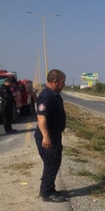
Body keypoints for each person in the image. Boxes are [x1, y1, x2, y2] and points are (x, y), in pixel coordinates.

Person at [34, 69, 67, 202]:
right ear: (55, 81)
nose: (64, 85)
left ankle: (49, 188)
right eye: (62, 82)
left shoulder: (54, 94)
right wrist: (46, 136)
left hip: (54, 135)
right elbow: (41, 117)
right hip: (48, 137)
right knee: (51, 163)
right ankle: (47, 193)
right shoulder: (46, 96)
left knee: (54, 162)